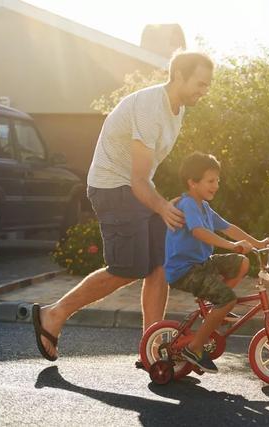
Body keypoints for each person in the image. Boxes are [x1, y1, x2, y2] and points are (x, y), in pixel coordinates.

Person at [32, 52, 214, 362]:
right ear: (178, 76)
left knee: (159, 265)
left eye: (207, 85)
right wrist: (160, 206)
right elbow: (137, 179)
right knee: (128, 268)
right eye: (200, 83)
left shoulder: (177, 109)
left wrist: (162, 203)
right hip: (113, 188)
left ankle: (151, 349)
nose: (204, 90)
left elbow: (145, 176)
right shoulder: (149, 108)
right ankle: (54, 314)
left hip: (136, 189)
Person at [165, 152, 269, 373]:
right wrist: (232, 246)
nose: (216, 185)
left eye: (217, 181)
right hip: (184, 270)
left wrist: (258, 243)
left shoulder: (203, 206)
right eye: (210, 181)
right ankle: (194, 348)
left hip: (202, 263)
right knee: (227, 299)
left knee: (241, 263)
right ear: (192, 183)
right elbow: (199, 232)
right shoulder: (189, 204)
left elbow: (228, 227)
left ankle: (217, 310)